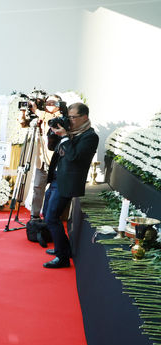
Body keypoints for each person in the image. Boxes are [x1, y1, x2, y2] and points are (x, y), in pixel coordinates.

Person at [42, 102, 98, 269]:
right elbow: (53, 147)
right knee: (47, 214)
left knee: (52, 217)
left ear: (84, 117)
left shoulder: (90, 136)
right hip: (56, 178)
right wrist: (53, 133)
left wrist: (65, 136)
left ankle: (63, 257)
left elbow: (74, 157)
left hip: (67, 182)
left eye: (73, 117)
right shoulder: (70, 132)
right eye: (69, 117)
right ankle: (63, 248)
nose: (70, 120)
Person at [26, 94, 65, 219]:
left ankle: (51, 217)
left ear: (60, 105)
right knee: (37, 187)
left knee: (54, 190)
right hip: (41, 159)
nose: (50, 105)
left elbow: (51, 121)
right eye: (47, 103)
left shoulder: (61, 118)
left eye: (53, 102)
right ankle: (34, 216)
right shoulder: (41, 116)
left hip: (55, 161)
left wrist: (36, 110)